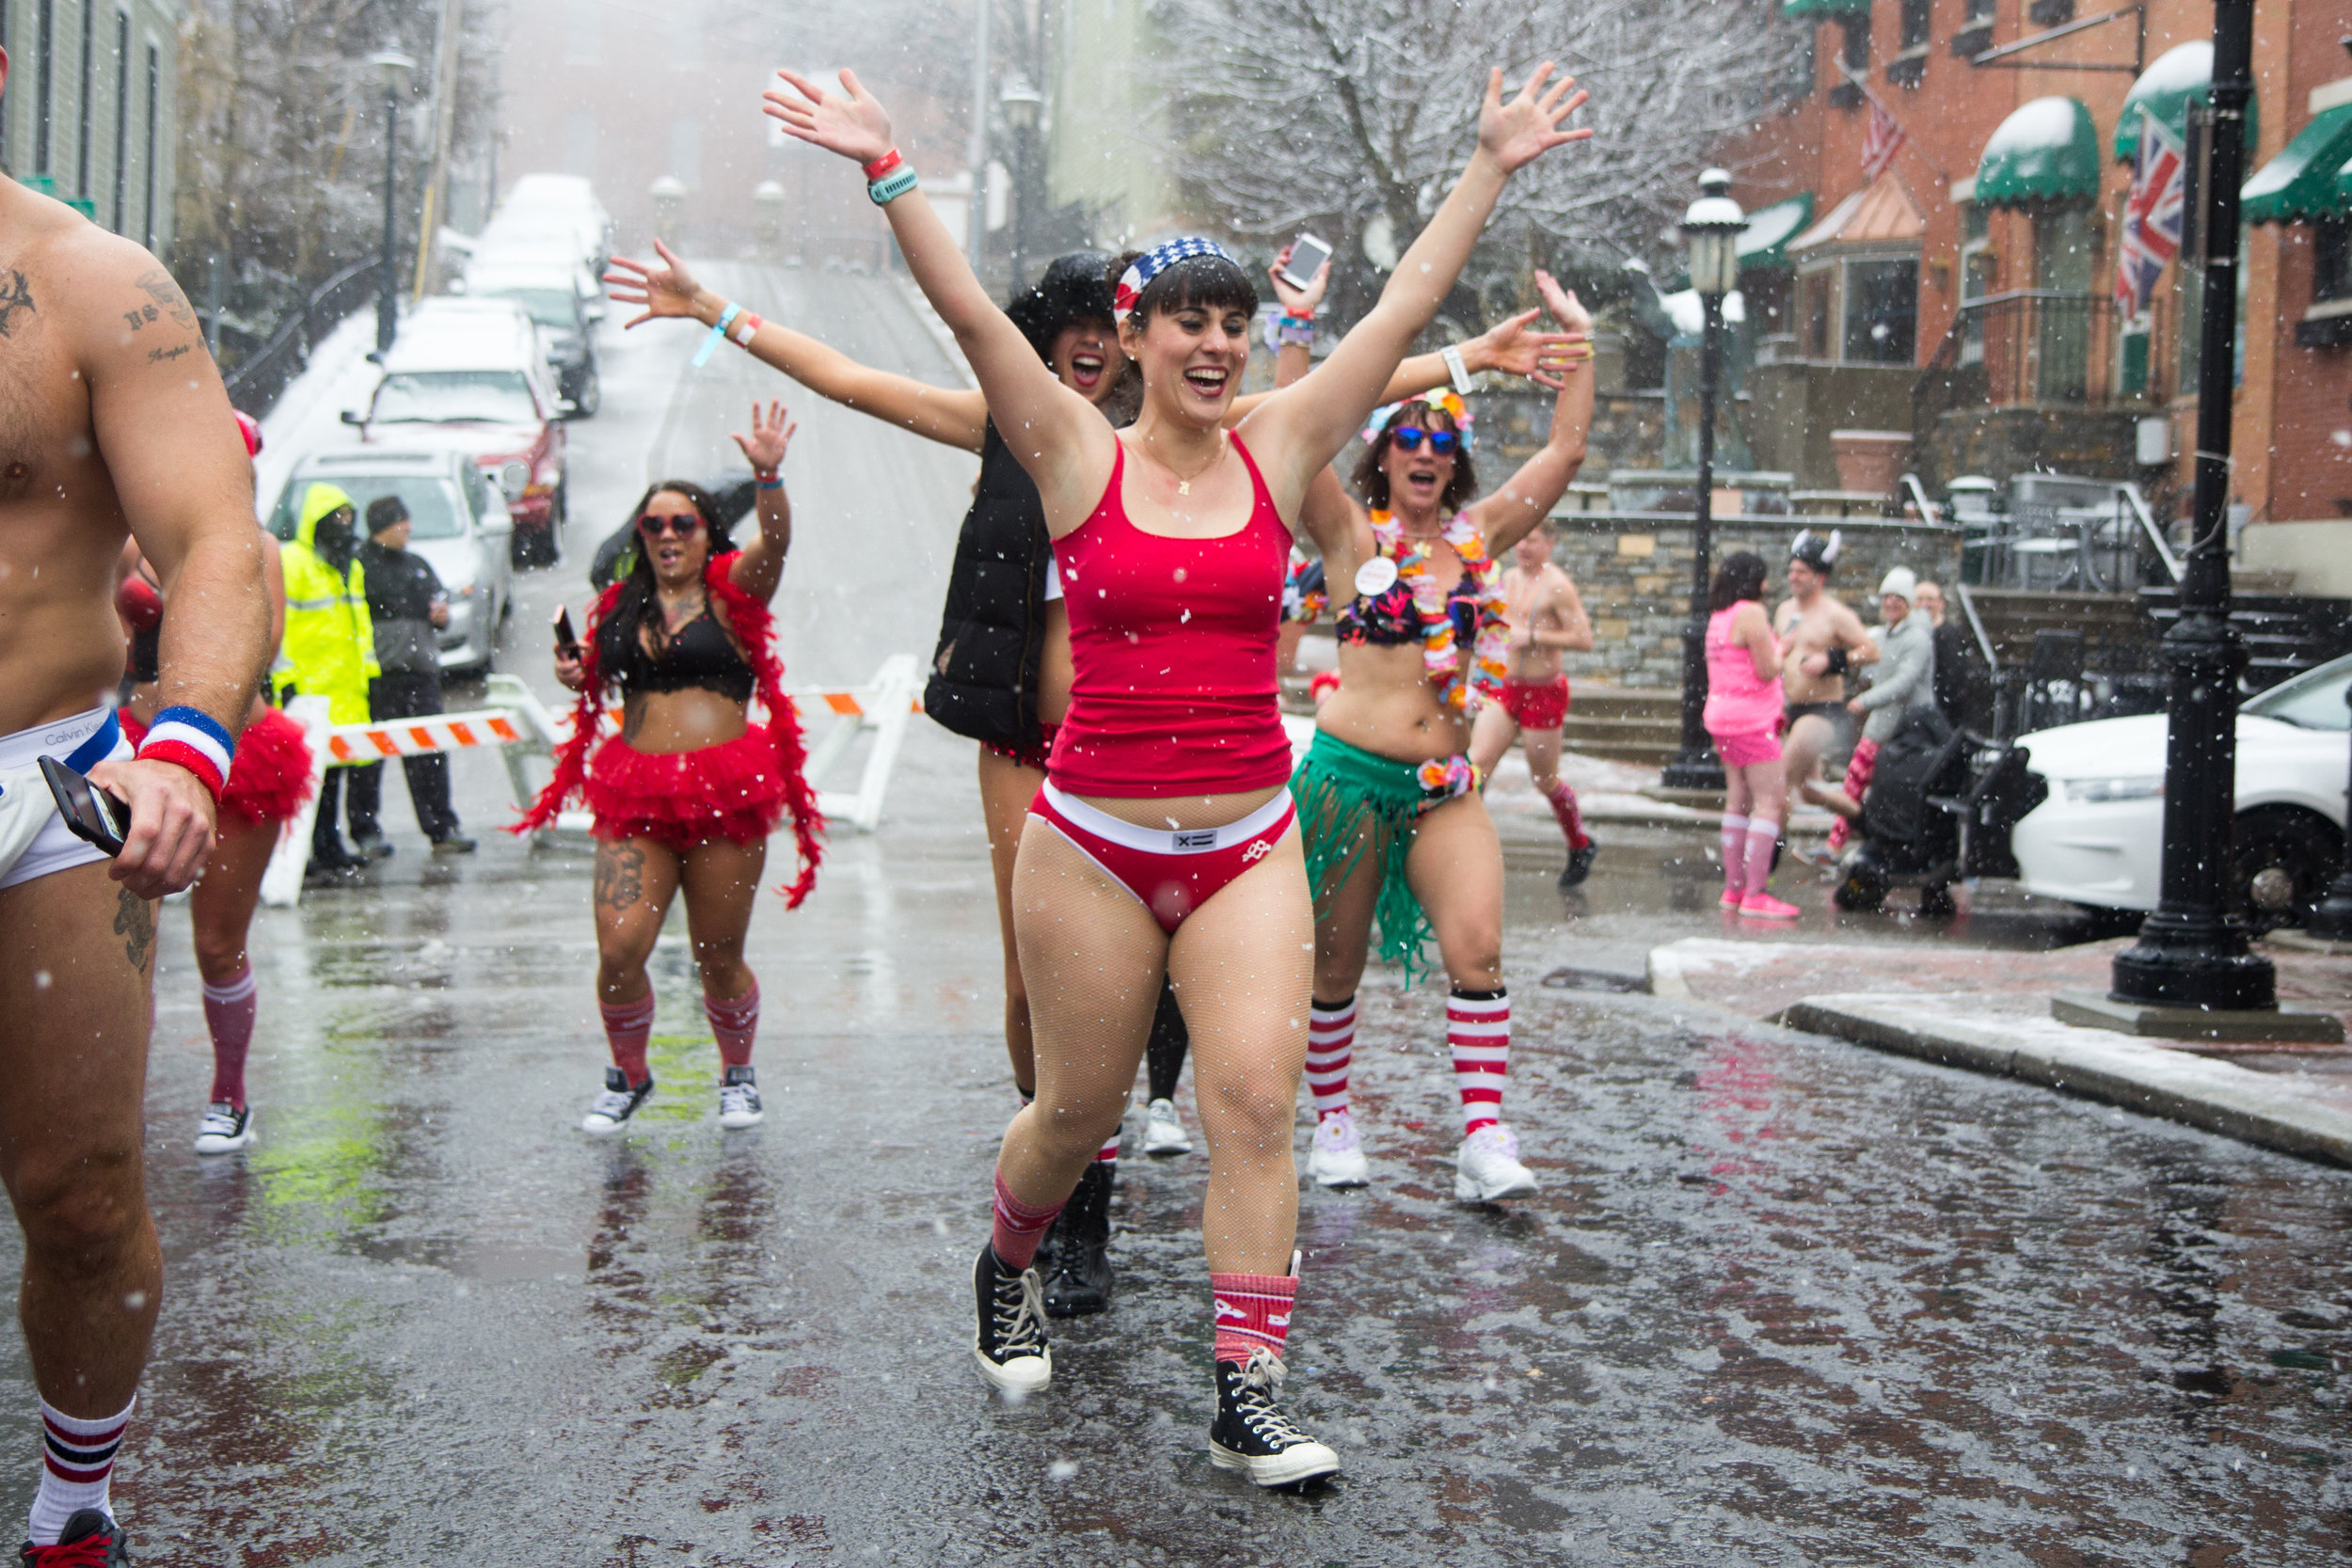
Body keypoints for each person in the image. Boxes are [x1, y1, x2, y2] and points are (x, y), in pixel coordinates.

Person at [767, 58, 1589, 1486]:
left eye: (1233, 322)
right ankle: (1006, 1257)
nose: (1214, 345)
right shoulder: (1073, 450)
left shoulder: (1284, 449)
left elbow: (1399, 310)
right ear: (1133, 336)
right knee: (1077, 1111)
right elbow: (969, 313)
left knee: (1254, 1101)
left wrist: (1492, 166)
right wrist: (889, 168)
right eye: (1185, 323)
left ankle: (1248, 1387)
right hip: (1089, 835)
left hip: (1248, 840)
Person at [604, 232, 1572, 1323]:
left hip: (1191, 765)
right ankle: (1074, 1207)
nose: (1079, 373)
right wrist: (715, 308)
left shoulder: (1210, 444)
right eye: (1062, 352)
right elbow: (856, 378)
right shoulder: (1025, 435)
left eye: (1089, 354)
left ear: (1117, 352)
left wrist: (1464, 360)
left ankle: (1222, 1306)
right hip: (1036, 745)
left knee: (1214, 1029)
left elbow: (1343, 386)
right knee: (1049, 1002)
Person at [0, 145, 275, 1564]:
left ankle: (73, 1507)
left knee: (82, 1191)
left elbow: (221, 539)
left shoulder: (91, 287)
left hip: (41, 782)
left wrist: (185, 745)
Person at [1291, 270, 1594, 1200]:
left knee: (1479, 947)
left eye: (1440, 440)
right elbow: (1297, 432)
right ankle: (1334, 1119)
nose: (1424, 451)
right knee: (1334, 964)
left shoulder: (1481, 534)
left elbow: (1565, 451)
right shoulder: (1347, 536)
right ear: (1382, 455)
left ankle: (1482, 1137)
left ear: (1454, 458)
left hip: (1444, 783)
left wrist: (1579, 343)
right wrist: (1295, 326)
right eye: (1407, 438)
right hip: (1347, 776)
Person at [519, 404, 823, 1135]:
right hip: (637, 793)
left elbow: (776, 540)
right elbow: (594, 678)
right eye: (652, 526)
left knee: (718, 956)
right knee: (619, 948)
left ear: (705, 532)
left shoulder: (732, 591)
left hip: (726, 791)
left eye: (681, 523)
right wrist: (575, 670)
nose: (665, 537)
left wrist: (768, 474)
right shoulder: (619, 608)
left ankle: (737, 1073)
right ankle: (628, 1072)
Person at [114, 420, 316, 1159]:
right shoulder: (122, 545)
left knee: (216, 941)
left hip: (235, 752)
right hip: (130, 752)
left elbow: (256, 649)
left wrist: (186, 576)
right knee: (118, 944)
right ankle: (109, 1101)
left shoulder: (253, 549)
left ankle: (229, 1094)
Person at [1470, 514, 1597, 889]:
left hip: (1543, 692)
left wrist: (1536, 636)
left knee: (1543, 778)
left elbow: (1583, 638)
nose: (1523, 547)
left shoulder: (1559, 587)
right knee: (1477, 767)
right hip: (1504, 687)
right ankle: (1466, 849)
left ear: (1549, 544)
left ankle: (1580, 843)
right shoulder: (1506, 579)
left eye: (1533, 540)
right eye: (1520, 540)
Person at [349, 495, 475, 855]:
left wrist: (441, 616)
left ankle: (442, 827)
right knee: (368, 758)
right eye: (402, 522)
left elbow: (441, 608)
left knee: (430, 753)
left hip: (421, 675)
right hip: (377, 677)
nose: (409, 528)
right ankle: (365, 830)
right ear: (383, 526)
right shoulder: (360, 567)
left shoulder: (417, 564)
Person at [276, 483, 378, 877]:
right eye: (336, 518)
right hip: (311, 689)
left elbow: (360, 619)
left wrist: (369, 670)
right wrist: (285, 678)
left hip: (345, 688)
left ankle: (330, 845)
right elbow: (280, 624)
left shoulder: (348, 564)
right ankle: (310, 851)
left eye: (348, 517)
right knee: (310, 778)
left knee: (335, 775)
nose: (345, 525)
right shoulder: (295, 563)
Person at [1814, 567, 1936, 853]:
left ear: (1908, 602)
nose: (1891, 603)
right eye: (1886, 597)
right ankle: (1835, 846)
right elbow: (1859, 657)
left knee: (1890, 793)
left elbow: (1904, 682)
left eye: (1898, 598)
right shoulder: (1880, 635)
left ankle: (1880, 848)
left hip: (1910, 733)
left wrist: (1865, 700)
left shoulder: (1918, 639)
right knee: (1854, 784)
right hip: (1880, 727)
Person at [1773, 528, 1877, 861]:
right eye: (1791, 570)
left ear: (1819, 576)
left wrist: (1832, 659)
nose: (1793, 577)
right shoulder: (1783, 611)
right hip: (1792, 707)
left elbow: (1871, 650)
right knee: (1810, 791)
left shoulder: (1835, 614)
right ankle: (1871, 824)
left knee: (1781, 779)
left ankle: (1768, 856)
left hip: (1824, 711)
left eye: (1801, 571)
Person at [1702, 551, 1795, 917]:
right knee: (1770, 802)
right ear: (1755, 580)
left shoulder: (1719, 616)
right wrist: (1783, 645)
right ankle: (1756, 893)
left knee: (1737, 799)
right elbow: (1768, 668)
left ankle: (1733, 889)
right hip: (1753, 720)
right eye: (1764, 578)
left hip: (1722, 719)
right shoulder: (1751, 613)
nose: (1768, 586)